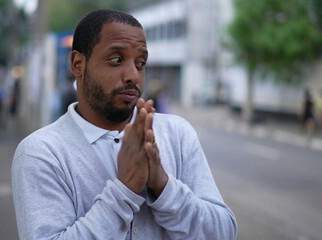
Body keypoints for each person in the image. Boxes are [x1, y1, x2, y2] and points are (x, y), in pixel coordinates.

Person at [12, 9, 237, 240]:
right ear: (78, 63)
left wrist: (163, 186)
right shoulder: (42, 153)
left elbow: (223, 233)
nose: (133, 76)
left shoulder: (176, 135)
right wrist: (124, 191)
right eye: (117, 60)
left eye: (140, 63)